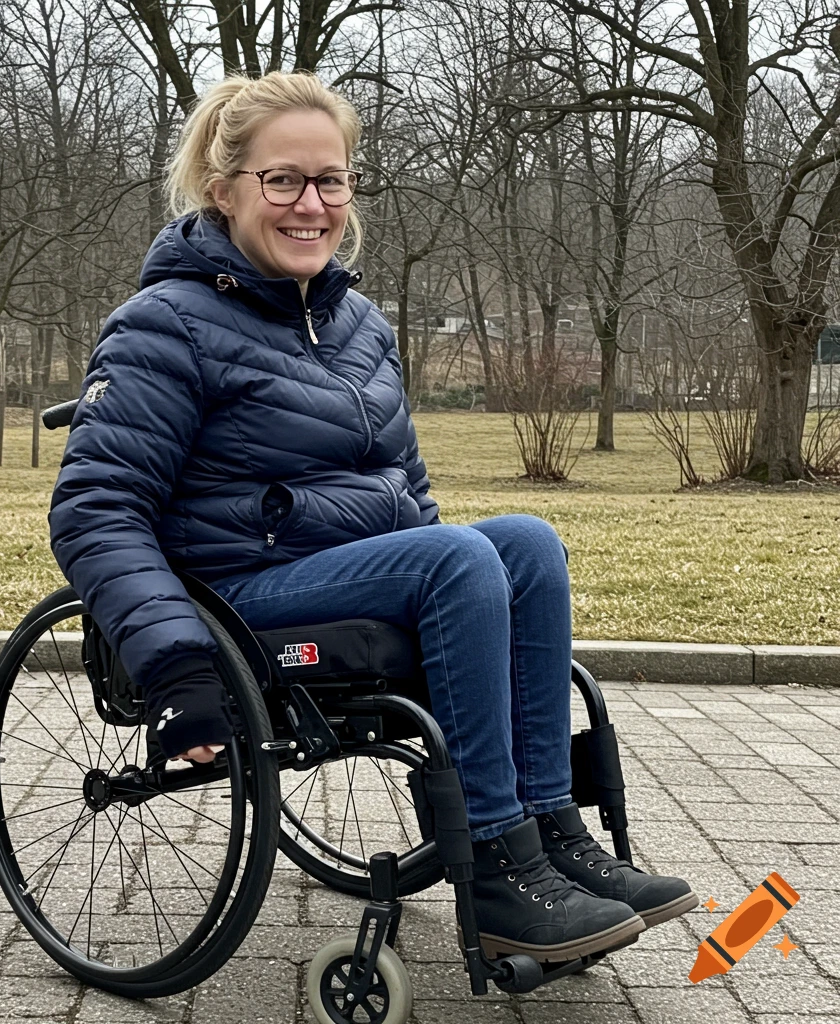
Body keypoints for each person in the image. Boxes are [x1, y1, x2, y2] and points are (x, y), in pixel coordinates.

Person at [49, 70, 697, 963]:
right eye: (284, 180)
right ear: (223, 187)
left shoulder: (358, 324)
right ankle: (503, 876)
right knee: (457, 560)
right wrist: (176, 666)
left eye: (332, 180)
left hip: (349, 575)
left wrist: (466, 588)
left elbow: (407, 487)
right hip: (233, 596)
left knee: (525, 545)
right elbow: (97, 507)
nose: (311, 204)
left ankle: (554, 838)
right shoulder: (162, 326)